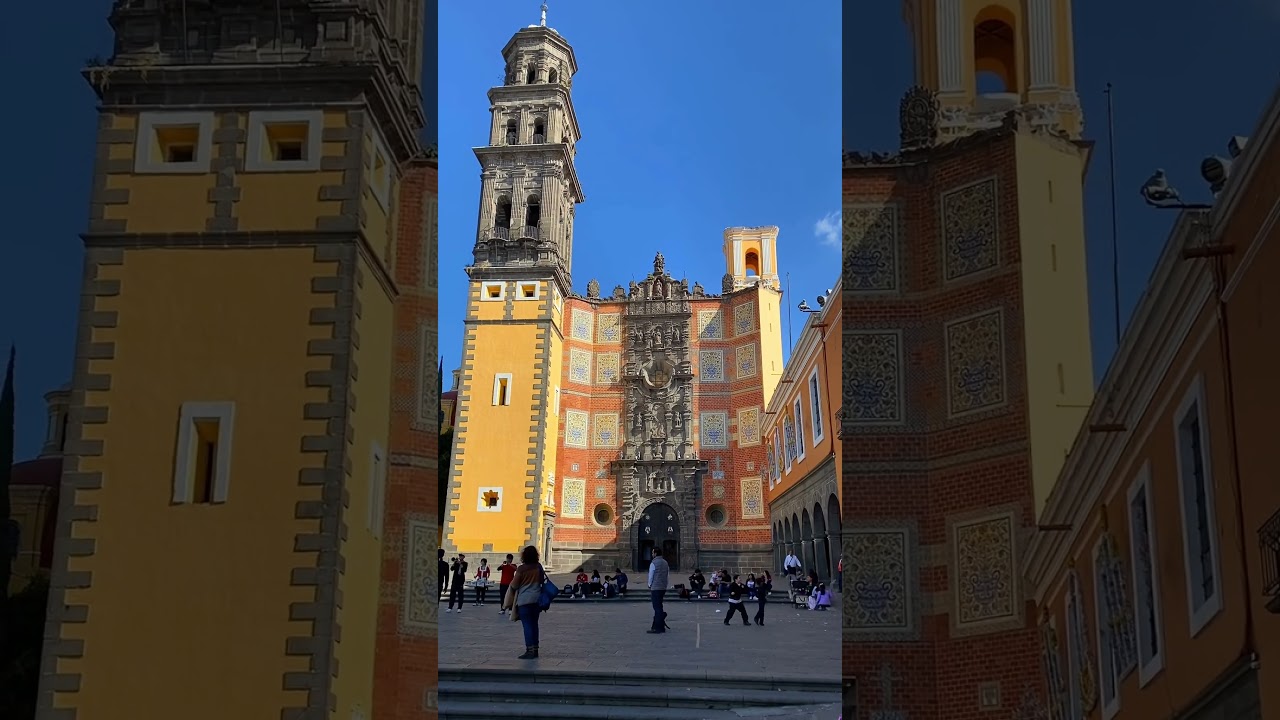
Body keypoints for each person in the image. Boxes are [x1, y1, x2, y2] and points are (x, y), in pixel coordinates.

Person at [503, 545, 547, 660]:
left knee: (527, 625)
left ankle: (529, 650)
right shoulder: (539, 567)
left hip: (524, 600)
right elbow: (542, 581)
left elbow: (514, 584)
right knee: (534, 624)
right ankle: (536, 649)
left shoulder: (521, 569)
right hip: (537, 600)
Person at [646, 548, 670, 634]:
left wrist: (649, 584)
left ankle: (658, 627)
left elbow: (651, 575)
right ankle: (660, 625)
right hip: (663, 587)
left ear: (655, 553)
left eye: (652, 553)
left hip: (655, 587)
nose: (652, 554)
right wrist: (666, 584)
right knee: (659, 606)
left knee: (657, 607)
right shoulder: (665, 562)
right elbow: (667, 575)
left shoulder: (653, 563)